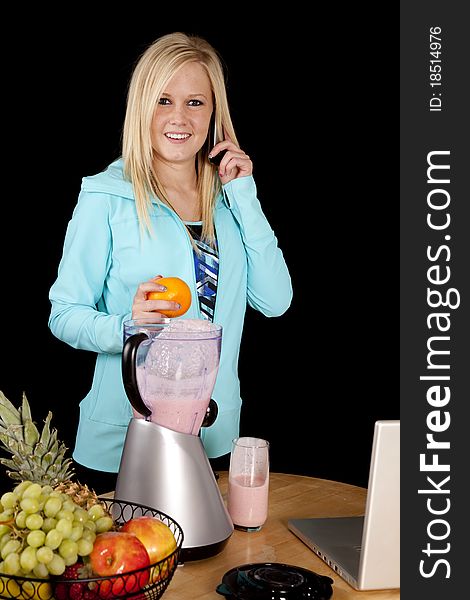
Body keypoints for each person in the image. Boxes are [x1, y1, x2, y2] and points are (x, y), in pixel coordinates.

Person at [48, 32, 292, 494]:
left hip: (214, 434)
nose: (179, 118)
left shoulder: (230, 199)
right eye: (163, 100)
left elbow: (276, 300)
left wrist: (245, 193)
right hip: (124, 441)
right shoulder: (106, 196)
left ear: (214, 111)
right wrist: (127, 323)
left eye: (195, 102)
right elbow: (63, 314)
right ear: (142, 106)